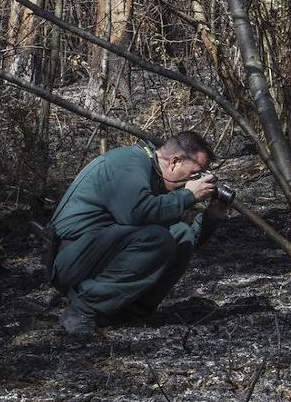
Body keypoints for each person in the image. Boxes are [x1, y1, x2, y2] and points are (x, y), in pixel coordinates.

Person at [49, 131, 229, 336]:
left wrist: (213, 215)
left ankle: (129, 312)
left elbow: (184, 240)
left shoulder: (155, 176)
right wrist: (188, 196)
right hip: (70, 259)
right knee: (156, 238)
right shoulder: (127, 163)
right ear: (175, 162)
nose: (196, 181)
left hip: (94, 255)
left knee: (180, 235)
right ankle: (82, 310)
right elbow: (136, 215)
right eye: (196, 173)